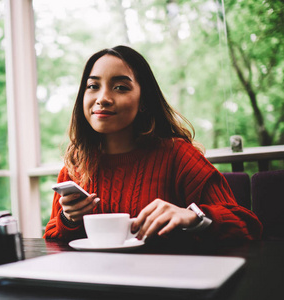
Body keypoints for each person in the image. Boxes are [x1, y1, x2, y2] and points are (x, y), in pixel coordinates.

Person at [44, 45, 262, 242]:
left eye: (120, 87)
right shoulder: (75, 167)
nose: (102, 98)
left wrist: (192, 216)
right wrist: (69, 219)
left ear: (143, 102)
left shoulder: (178, 156)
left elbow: (247, 225)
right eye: (93, 86)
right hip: (98, 282)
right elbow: (52, 236)